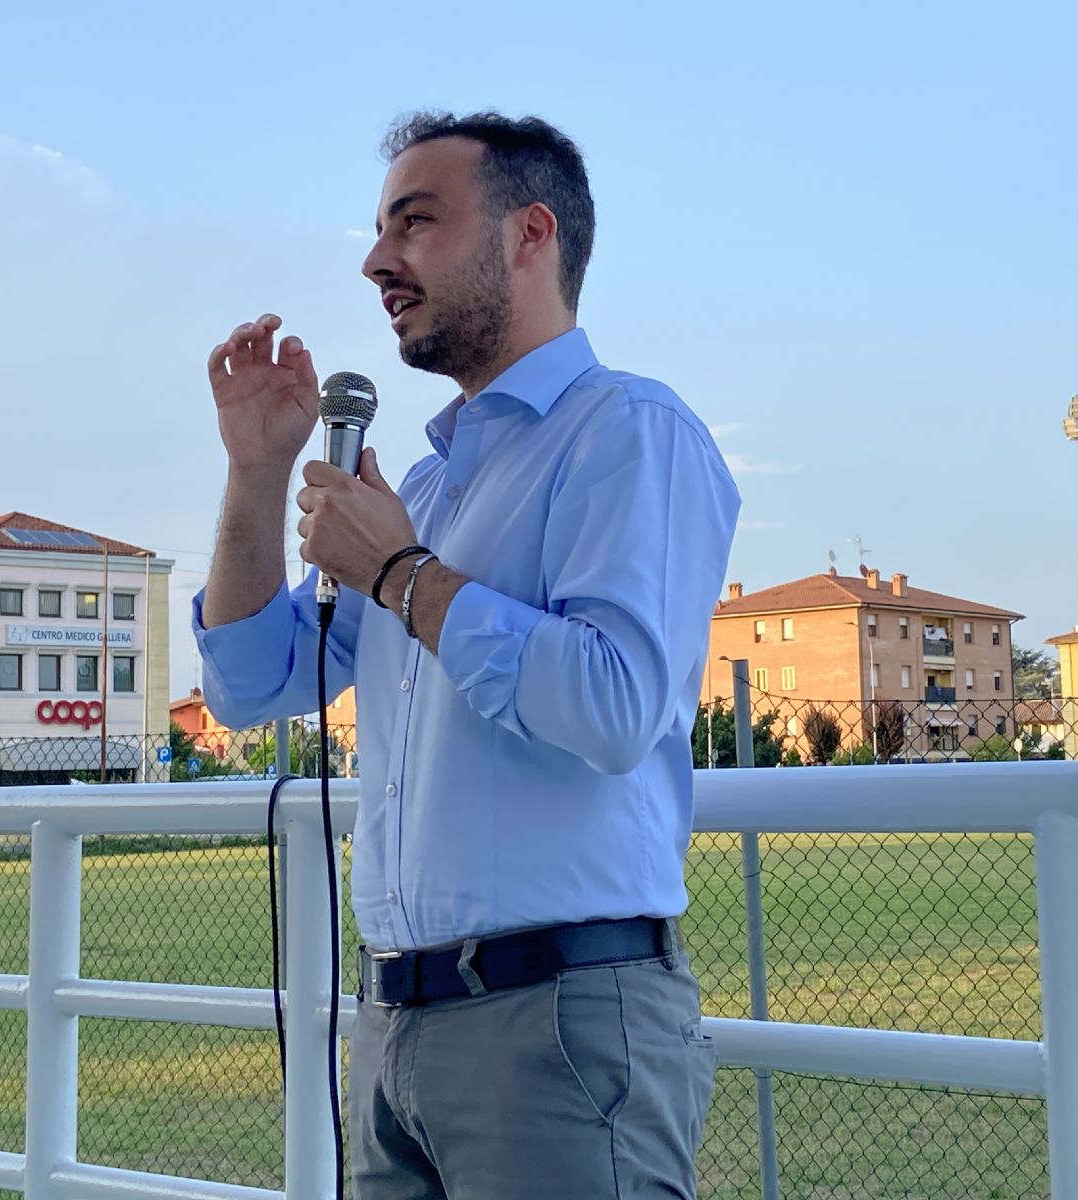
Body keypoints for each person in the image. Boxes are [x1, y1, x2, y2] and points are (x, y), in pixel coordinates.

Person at [195, 111, 740, 1200]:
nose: (375, 260)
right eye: (378, 229)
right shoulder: (429, 488)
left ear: (530, 233)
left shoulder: (630, 431)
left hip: (559, 1023)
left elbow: (615, 705)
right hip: (393, 1026)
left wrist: (402, 573)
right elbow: (249, 683)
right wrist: (257, 475)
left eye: (415, 223)